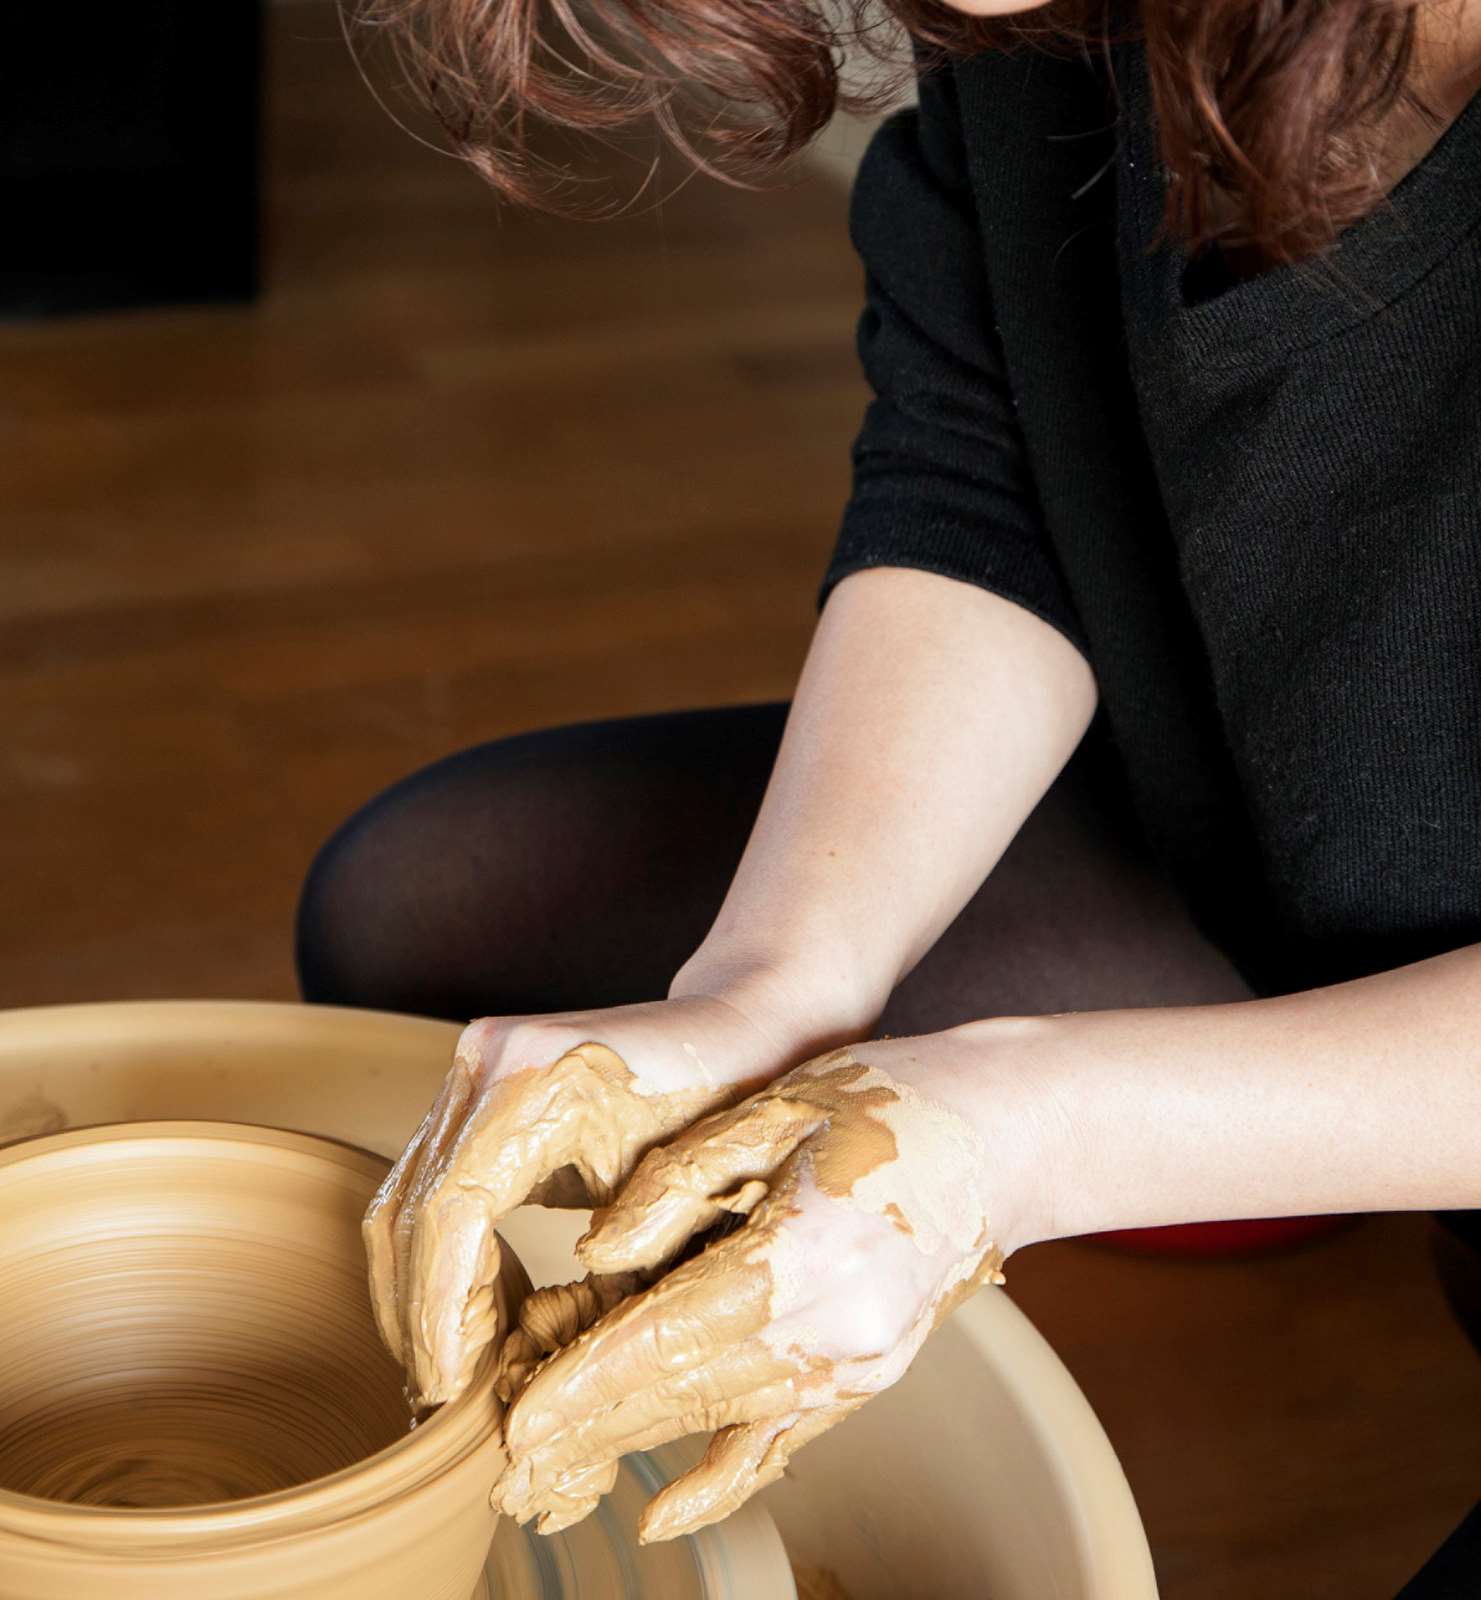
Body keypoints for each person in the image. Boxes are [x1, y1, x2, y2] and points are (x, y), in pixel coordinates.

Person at [298, 0, 1481, 1590]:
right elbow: (994, 456)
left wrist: (1017, 1139)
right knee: (442, 912)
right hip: (1331, 830)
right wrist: (771, 992)